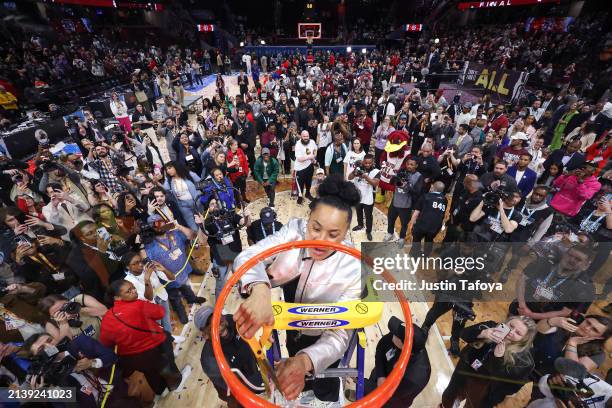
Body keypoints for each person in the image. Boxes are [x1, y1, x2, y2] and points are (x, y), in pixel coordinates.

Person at [233, 175, 362, 402]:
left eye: (333, 235)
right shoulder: (294, 230)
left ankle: (325, 394)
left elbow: (341, 332)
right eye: (315, 228)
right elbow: (248, 256)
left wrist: (306, 361)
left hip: (324, 337)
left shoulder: (353, 266)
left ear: (346, 232)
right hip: (294, 329)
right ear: (308, 218)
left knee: (325, 386)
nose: (320, 241)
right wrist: (260, 289)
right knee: (292, 370)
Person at [99, 280, 183, 395]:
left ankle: (160, 391)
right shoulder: (138, 304)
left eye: (133, 288)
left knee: (150, 372)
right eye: (129, 291)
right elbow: (160, 312)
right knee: (167, 363)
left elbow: (105, 343)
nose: (134, 291)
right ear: (117, 298)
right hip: (154, 349)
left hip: (133, 359)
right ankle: (176, 384)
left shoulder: (107, 318)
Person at [194, 306, 264, 408]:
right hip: (236, 391)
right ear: (205, 335)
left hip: (251, 370)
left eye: (218, 319)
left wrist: (264, 339)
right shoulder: (210, 360)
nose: (219, 326)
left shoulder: (231, 320)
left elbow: (250, 340)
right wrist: (266, 379)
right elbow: (236, 388)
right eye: (211, 326)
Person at [354, 317, 430, 407]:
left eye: (396, 334)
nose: (392, 333)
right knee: (369, 386)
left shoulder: (415, 377)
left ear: (404, 346)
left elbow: (388, 394)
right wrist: (380, 376)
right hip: (381, 375)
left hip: (392, 400)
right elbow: (381, 348)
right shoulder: (397, 338)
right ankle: (362, 396)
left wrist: (360, 381)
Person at [144, 214, 205, 324]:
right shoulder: (149, 246)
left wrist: (179, 226)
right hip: (169, 279)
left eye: (160, 222)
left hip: (183, 272)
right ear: (151, 228)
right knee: (175, 298)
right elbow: (147, 262)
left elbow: (193, 235)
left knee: (186, 287)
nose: (159, 226)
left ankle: (192, 299)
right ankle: (181, 313)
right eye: (155, 225)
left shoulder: (175, 233)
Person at [197, 198, 250, 300]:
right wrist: (201, 225)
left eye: (217, 203)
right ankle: (219, 308)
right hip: (220, 259)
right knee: (220, 285)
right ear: (209, 208)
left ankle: (245, 294)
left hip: (236, 255)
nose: (215, 205)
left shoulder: (231, 215)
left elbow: (247, 224)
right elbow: (202, 241)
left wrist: (247, 215)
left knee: (241, 277)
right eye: (212, 204)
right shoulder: (207, 222)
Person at [122, 252, 175, 333]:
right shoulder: (128, 282)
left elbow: (172, 278)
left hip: (162, 297)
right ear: (127, 267)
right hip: (150, 308)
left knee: (167, 321)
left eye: (140, 261)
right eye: (134, 264)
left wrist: (164, 269)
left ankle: (171, 337)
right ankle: (165, 343)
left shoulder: (148, 267)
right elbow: (149, 298)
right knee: (158, 327)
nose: (140, 264)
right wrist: (147, 279)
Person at [385, 158, 423, 247]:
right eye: (408, 164)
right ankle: (390, 233)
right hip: (395, 202)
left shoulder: (419, 176)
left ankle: (402, 238)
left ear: (416, 166)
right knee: (390, 219)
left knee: (404, 224)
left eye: (412, 164)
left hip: (406, 205)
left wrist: (407, 186)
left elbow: (417, 192)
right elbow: (392, 182)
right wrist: (394, 178)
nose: (409, 166)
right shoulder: (401, 171)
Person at [409, 181, 447, 255]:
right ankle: (426, 255)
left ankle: (415, 255)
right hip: (435, 228)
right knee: (429, 241)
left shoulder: (425, 196)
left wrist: (411, 225)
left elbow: (415, 214)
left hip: (422, 225)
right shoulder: (445, 200)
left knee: (416, 240)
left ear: (432, 187)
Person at [348, 154, 379, 241]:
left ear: (372, 162)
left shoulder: (376, 171)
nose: (367, 165)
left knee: (368, 215)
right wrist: (354, 173)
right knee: (359, 211)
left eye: (369, 163)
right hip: (358, 196)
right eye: (366, 163)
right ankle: (360, 225)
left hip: (368, 197)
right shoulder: (358, 168)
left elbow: (375, 183)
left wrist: (366, 176)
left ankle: (368, 231)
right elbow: (349, 177)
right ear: (363, 162)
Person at [294, 130, 317, 205]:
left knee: (308, 182)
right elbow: (299, 159)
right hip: (300, 168)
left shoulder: (312, 142)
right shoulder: (298, 144)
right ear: (301, 136)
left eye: (307, 136)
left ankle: (307, 193)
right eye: (304, 136)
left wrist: (313, 157)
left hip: (309, 166)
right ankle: (300, 196)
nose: (306, 138)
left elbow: (315, 149)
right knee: (300, 184)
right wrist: (309, 157)